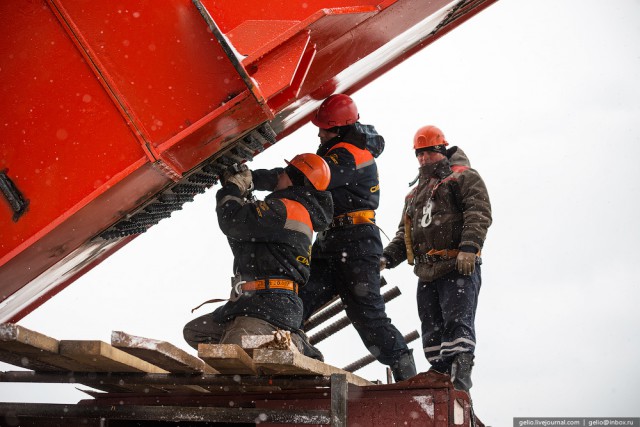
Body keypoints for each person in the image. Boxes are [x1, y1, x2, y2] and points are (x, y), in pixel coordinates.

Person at [297, 94, 417, 381]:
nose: (319, 132)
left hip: (356, 242)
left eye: (323, 127)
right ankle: (288, 348)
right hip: (331, 242)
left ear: (337, 128)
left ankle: (409, 377)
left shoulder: (349, 155)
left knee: (368, 318)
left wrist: (262, 180)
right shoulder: (336, 151)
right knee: (297, 298)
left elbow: (305, 179)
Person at [183, 154, 333, 357]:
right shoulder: (291, 211)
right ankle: (270, 341)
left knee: (228, 356)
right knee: (196, 332)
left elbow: (232, 222)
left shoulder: (284, 210)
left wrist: (233, 188)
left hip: (266, 306)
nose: (279, 176)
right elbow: (244, 242)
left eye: (284, 172)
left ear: (292, 179)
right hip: (258, 301)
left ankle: (293, 343)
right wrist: (243, 198)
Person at [381, 125, 492, 393]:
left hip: (457, 264)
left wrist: (469, 247)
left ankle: (461, 376)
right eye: (418, 154)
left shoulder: (464, 177)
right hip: (427, 270)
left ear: (441, 150)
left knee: (457, 323)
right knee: (431, 326)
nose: (423, 159)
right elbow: (404, 233)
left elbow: (479, 212)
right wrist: (385, 258)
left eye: (428, 152)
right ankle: (440, 373)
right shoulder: (415, 193)